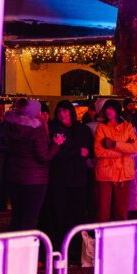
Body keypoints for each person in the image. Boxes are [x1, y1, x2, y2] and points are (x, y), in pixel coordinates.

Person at [41, 100, 93, 261]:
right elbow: (58, 153)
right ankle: (58, 251)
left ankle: (75, 252)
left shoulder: (82, 129)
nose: (62, 114)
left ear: (71, 112)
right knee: (59, 216)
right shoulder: (55, 129)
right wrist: (77, 151)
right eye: (60, 111)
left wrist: (74, 151)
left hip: (78, 180)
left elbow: (88, 151)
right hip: (60, 180)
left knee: (76, 216)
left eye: (65, 111)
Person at [3, 99, 64, 231]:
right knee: (29, 219)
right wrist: (56, 144)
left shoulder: (11, 126)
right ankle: (25, 249)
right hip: (34, 180)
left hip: (14, 177)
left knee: (17, 216)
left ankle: (12, 248)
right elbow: (44, 156)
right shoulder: (36, 129)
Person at [93, 100, 137, 222]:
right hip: (105, 174)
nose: (108, 111)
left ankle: (119, 238)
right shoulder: (101, 127)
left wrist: (113, 144)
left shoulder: (127, 126)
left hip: (123, 174)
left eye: (111, 108)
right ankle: (103, 238)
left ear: (117, 110)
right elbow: (98, 151)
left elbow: (134, 148)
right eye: (106, 109)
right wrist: (122, 150)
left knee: (121, 212)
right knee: (103, 212)